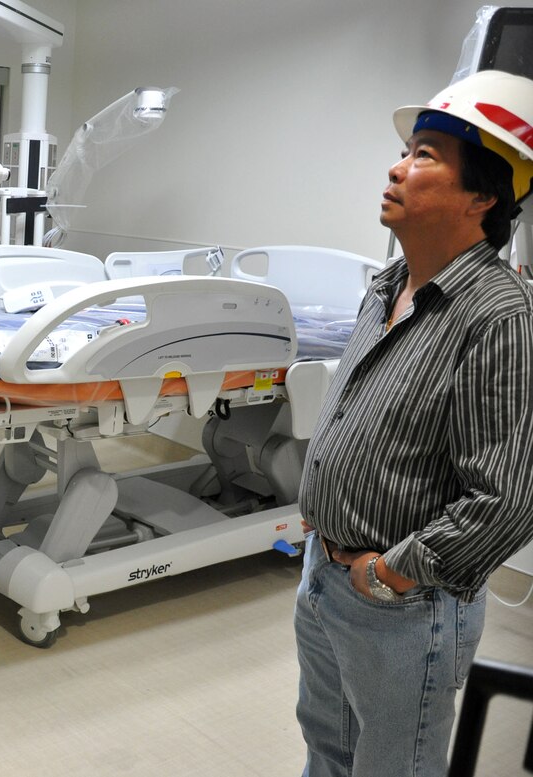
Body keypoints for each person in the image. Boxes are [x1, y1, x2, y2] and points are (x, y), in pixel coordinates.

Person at [295, 69, 533, 776]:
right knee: (328, 746)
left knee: (394, 765)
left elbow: (505, 500)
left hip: (401, 605)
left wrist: (388, 573)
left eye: (426, 154)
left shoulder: (499, 316)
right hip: (324, 573)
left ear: (483, 195)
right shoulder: (385, 288)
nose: (398, 167)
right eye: (406, 150)